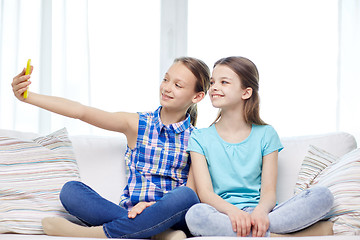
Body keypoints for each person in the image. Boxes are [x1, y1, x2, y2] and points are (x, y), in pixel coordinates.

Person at [11, 57, 211, 239]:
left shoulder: (197, 138)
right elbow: (81, 111)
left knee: (187, 197)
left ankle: (92, 233)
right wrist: (28, 97)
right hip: (129, 211)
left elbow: (190, 191)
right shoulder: (137, 123)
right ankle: (156, 234)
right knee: (70, 190)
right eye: (166, 80)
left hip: (170, 215)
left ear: (197, 97)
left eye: (177, 85)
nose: (167, 88)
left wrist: (154, 208)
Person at [184, 56, 334, 237]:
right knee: (195, 215)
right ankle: (280, 236)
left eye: (224, 82)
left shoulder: (266, 134)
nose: (214, 87)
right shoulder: (200, 137)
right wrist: (234, 213)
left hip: (263, 214)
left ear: (246, 93)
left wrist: (260, 213)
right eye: (213, 82)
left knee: (323, 195)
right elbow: (205, 194)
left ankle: (255, 231)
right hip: (223, 215)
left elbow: (269, 192)